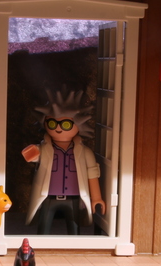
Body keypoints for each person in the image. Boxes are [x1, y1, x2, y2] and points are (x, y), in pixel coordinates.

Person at [23, 89, 105, 235]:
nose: (58, 129)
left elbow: (92, 174)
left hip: (74, 198)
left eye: (65, 124)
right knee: (44, 228)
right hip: (48, 197)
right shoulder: (44, 149)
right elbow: (30, 155)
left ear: (79, 125)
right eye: (52, 124)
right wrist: (32, 151)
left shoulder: (84, 152)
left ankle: (74, 245)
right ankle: (42, 245)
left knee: (74, 229)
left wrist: (97, 198)